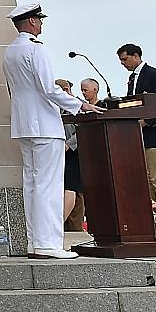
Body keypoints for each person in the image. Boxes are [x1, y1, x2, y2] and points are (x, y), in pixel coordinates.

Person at [3, 2, 102, 259]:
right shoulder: (35, 49)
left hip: (24, 124)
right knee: (48, 184)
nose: (42, 24)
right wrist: (81, 105)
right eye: (40, 20)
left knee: (33, 185)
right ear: (33, 22)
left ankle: (35, 242)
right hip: (45, 125)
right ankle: (49, 244)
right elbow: (48, 88)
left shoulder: (10, 51)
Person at [118, 43, 156, 236]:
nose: (123, 64)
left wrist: (147, 121)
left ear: (136, 56)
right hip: (138, 136)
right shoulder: (132, 79)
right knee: (146, 180)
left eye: (125, 59)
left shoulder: (153, 75)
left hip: (155, 134)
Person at [64, 78, 98, 230]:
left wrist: (68, 145)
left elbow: (80, 130)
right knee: (73, 192)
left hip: (77, 152)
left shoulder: (91, 106)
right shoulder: (64, 106)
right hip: (66, 153)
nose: (83, 93)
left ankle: (66, 225)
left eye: (86, 90)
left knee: (72, 190)